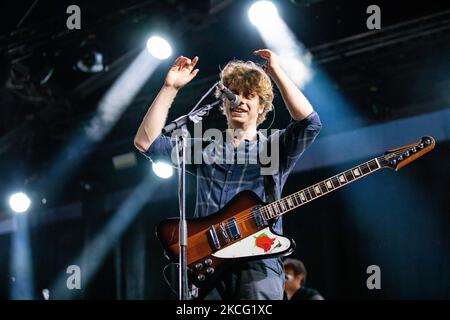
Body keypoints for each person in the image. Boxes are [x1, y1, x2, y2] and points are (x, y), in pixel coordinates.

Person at [134, 49, 322, 300]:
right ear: (224, 101)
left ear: (261, 106)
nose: (240, 101)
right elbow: (146, 142)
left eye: (249, 96)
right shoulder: (205, 149)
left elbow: (310, 123)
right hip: (208, 265)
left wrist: (277, 72)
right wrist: (170, 87)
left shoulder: (275, 146)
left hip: (258, 263)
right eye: (235, 94)